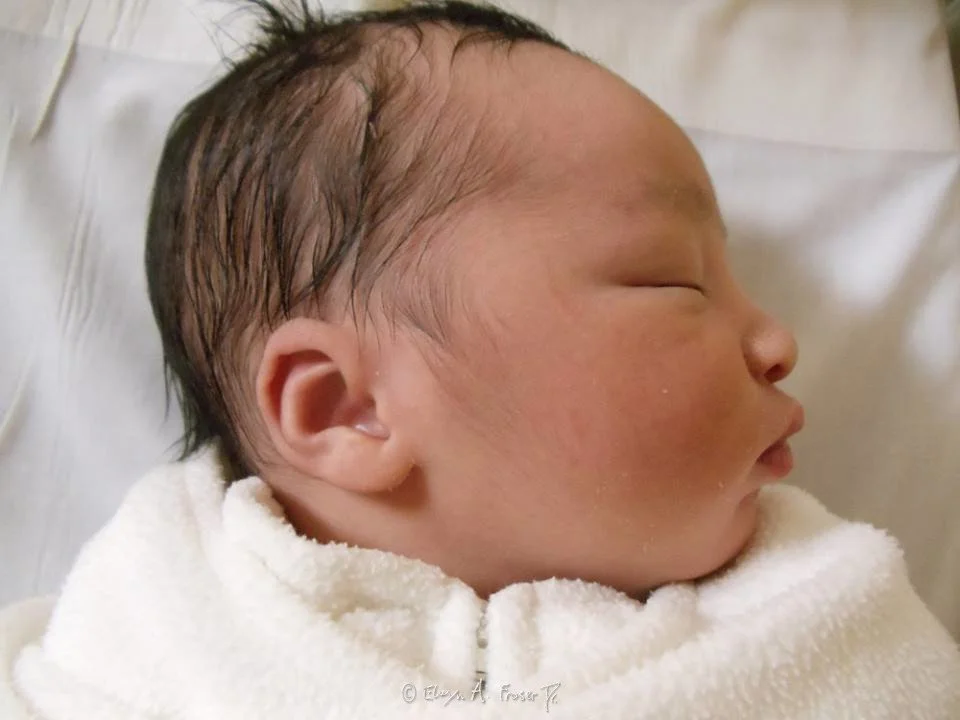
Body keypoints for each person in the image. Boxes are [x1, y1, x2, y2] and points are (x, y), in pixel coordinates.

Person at [2, 2, 958, 717]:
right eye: (672, 281)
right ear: (346, 407)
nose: (778, 341)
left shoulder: (818, 616)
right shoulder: (158, 625)